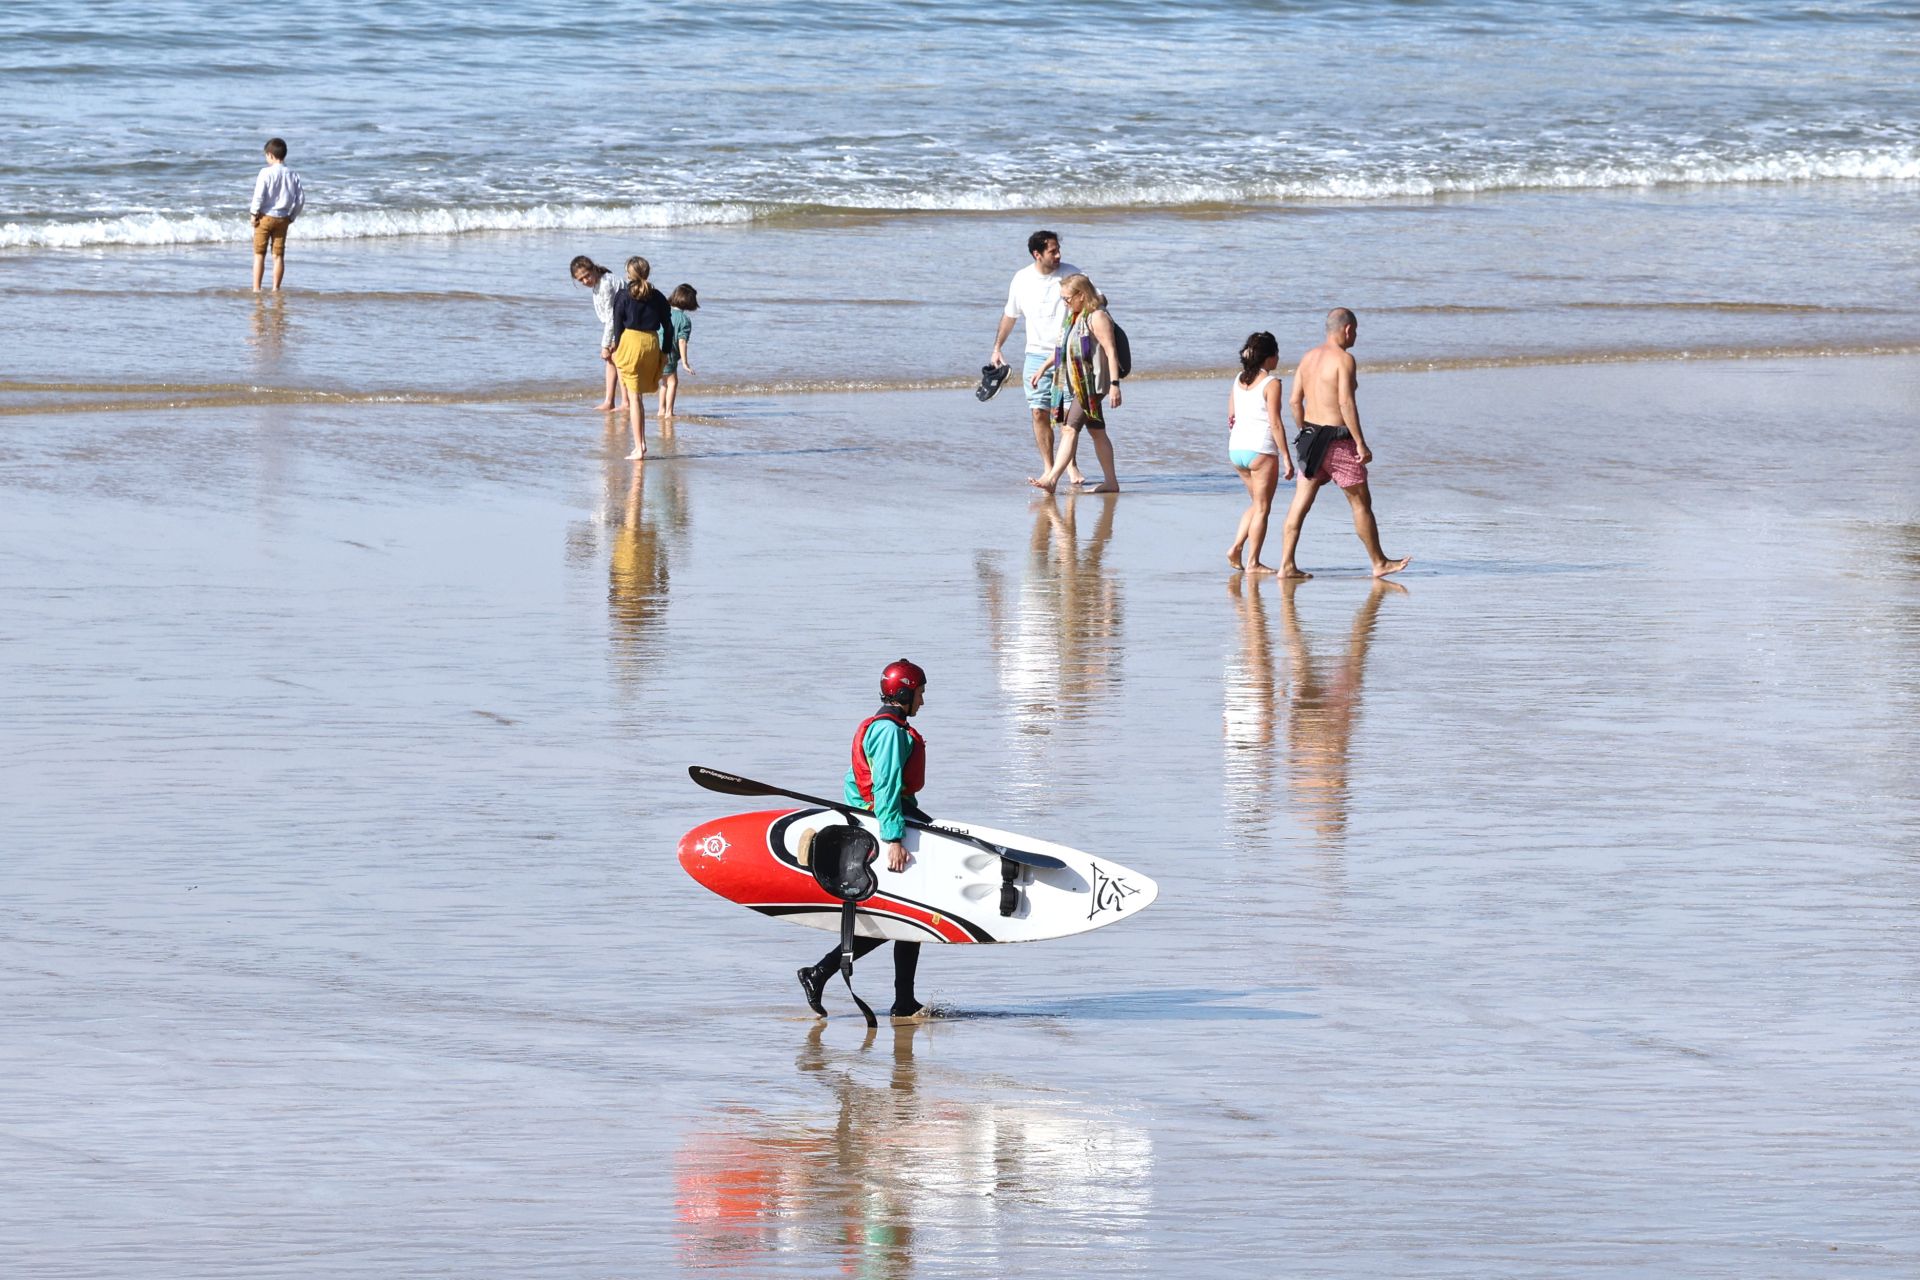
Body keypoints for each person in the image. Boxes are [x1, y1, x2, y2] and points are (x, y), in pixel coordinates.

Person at [798, 659, 932, 1024]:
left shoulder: (884, 727)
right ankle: (821, 973)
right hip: (883, 829)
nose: (922, 701)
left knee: (912, 916)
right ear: (904, 692)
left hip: (885, 821)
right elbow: (885, 787)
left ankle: (903, 1000)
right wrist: (893, 838)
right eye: (919, 693)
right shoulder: (889, 732)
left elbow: (853, 782)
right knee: (905, 916)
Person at [1278, 308, 1411, 580]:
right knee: (1361, 502)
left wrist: (1304, 431)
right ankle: (1379, 562)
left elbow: (1293, 402)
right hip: (1338, 441)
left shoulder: (1307, 358)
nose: (1356, 336)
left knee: (1300, 504)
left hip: (1311, 438)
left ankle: (1286, 565)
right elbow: (1345, 402)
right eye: (1356, 331)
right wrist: (1361, 443)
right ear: (1348, 329)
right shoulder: (1344, 360)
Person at [989, 230, 1088, 487]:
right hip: (1035, 353)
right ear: (1037, 254)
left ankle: (1069, 465)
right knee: (1038, 412)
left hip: (1069, 352)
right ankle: (1048, 467)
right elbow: (1011, 315)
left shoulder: (1072, 274)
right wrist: (997, 347)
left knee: (1069, 415)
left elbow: (1097, 301)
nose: (1058, 255)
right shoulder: (1021, 279)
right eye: (1052, 251)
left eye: (1058, 250)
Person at [1026, 274, 1122, 494]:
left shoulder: (1097, 317)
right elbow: (1063, 348)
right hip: (1079, 384)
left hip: (1092, 387)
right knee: (1098, 432)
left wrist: (1115, 384)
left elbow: (1111, 351)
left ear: (1081, 295)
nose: (1065, 303)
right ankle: (1111, 482)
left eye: (1067, 299)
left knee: (1069, 428)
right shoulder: (1075, 317)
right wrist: (1042, 369)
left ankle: (1052, 479)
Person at [1226, 331, 1295, 572]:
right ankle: (1253, 561)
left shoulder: (1238, 379)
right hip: (1261, 450)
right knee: (1263, 508)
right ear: (1269, 357)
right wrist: (1286, 456)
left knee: (1256, 503)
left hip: (1237, 449)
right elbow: (1275, 423)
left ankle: (1236, 547)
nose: (1278, 358)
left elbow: (1231, 415)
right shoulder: (1271, 383)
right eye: (1276, 353)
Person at [607, 256, 673, 461]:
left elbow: (617, 325)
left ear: (629, 274)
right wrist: (664, 351)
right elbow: (668, 327)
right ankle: (641, 444)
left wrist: (616, 348)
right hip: (652, 342)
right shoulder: (659, 296)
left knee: (635, 398)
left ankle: (639, 447)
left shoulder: (623, 295)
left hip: (631, 342)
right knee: (639, 397)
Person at [569, 256, 627, 412]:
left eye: (587, 276)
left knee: (617, 358)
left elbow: (611, 317)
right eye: (581, 280)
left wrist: (605, 345)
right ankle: (609, 401)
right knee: (610, 360)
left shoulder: (606, 283)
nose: (585, 281)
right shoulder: (598, 283)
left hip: (628, 322)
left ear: (593, 268)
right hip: (619, 322)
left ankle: (626, 402)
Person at [249, 138, 305, 293]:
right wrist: (292, 216)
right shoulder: (292, 174)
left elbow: (258, 196)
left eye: (266, 156)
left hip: (265, 217)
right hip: (283, 218)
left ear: (271, 155)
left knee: (259, 254)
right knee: (278, 255)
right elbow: (300, 199)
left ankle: (256, 289)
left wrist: (254, 213)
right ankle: (275, 288)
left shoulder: (265, 172)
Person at [659, 283, 699, 417]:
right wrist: (685, 363)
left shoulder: (664, 311)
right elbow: (682, 341)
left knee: (664, 383)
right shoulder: (684, 320)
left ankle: (661, 410)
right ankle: (669, 412)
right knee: (672, 382)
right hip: (670, 354)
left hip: (657, 351)